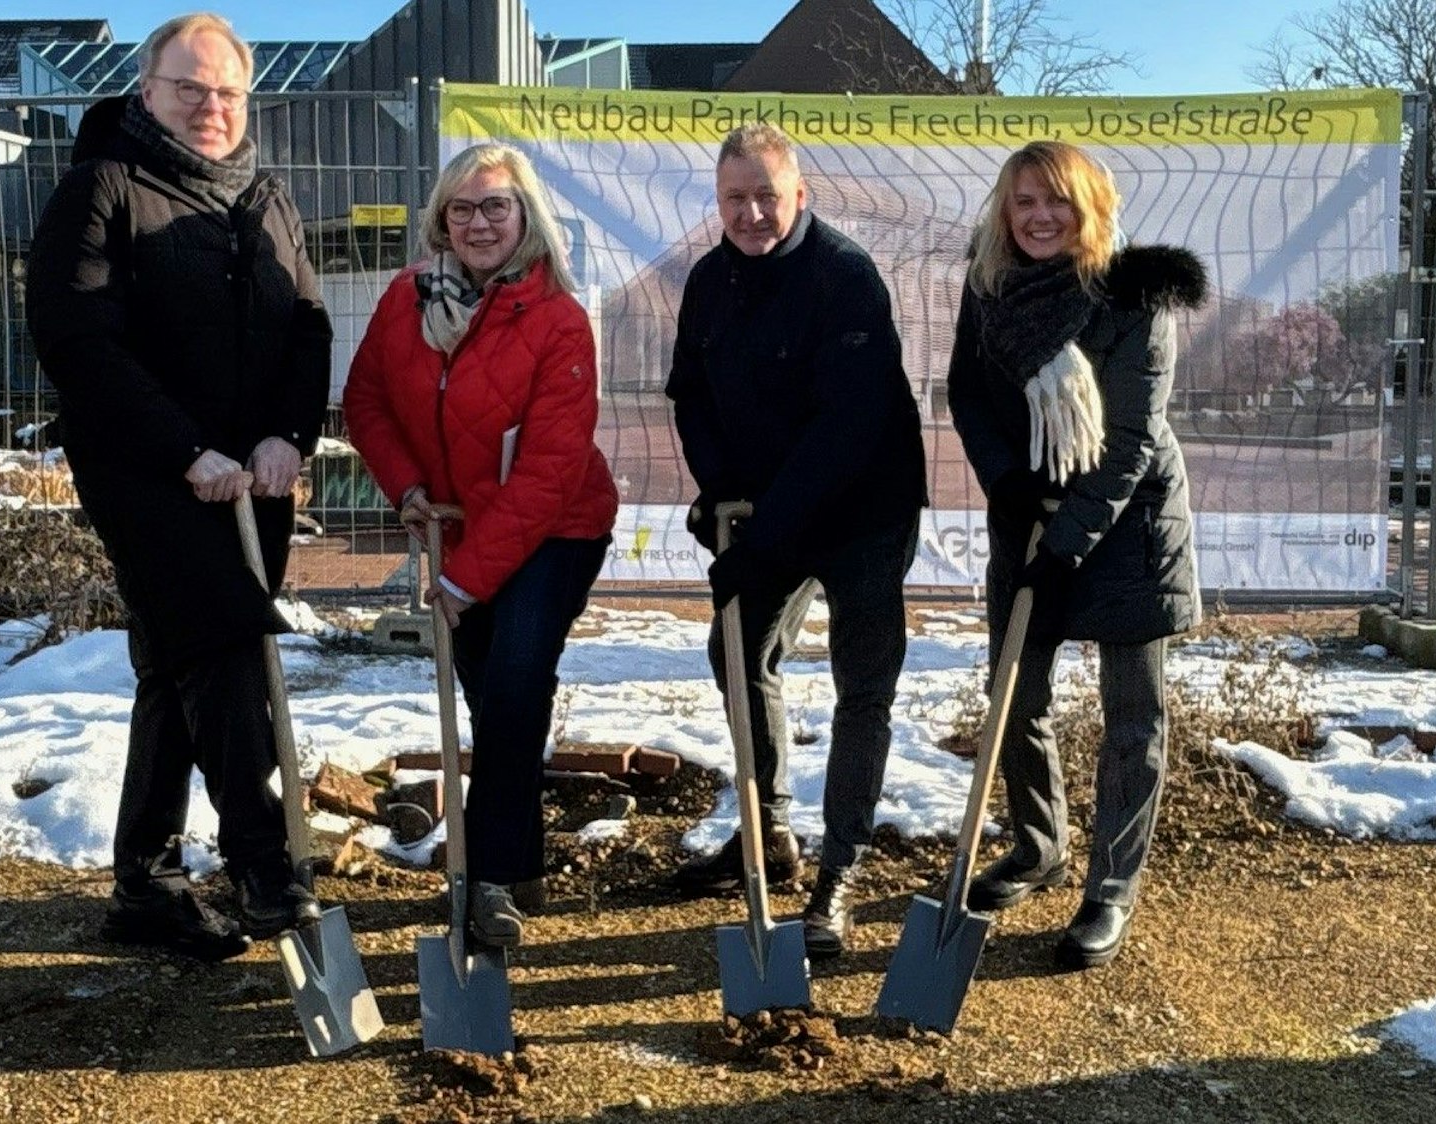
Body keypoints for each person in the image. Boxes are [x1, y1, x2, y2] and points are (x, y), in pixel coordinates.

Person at [27, 12, 331, 960]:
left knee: (176, 667)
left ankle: (146, 887)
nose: (209, 107)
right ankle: (267, 869)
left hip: (253, 481)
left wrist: (288, 434)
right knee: (227, 639)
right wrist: (185, 451)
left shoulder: (266, 196)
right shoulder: (101, 188)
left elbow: (310, 326)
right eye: (188, 89)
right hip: (149, 473)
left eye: (226, 92)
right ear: (147, 90)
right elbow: (79, 339)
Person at [344, 143, 617, 950]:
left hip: (558, 528)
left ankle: (487, 881)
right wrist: (408, 490)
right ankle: (517, 859)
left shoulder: (558, 318)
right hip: (457, 523)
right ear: (440, 219)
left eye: (495, 206)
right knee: (492, 698)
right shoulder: (405, 301)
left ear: (526, 215)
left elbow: (548, 471)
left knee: (516, 676)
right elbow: (365, 403)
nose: (478, 223)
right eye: (461, 209)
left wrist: (462, 583)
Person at [665, 123, 927, 960]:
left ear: (799, 196)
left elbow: (845, 432)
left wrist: (764, 533)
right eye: (734, 198)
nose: (751, 213)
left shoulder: (845, 277)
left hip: (863, 509)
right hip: (771, 504)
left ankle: (839, 869)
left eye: (767, 196)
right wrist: (718, 493)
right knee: (736, 653)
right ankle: (768, 832)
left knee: (863, 681)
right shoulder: (709, 281)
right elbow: (691, 396)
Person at [946, 140, 1206, 969]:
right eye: (1024, 201)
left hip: (1126, 527)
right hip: (1026, 515)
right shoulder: (989, 286)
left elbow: (1129, 440)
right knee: (1015, 696)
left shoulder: (1135, 294)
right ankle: (1037, 846)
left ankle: (1110, 889)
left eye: (1056, 200)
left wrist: (1066, 544)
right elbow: (965, 390)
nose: (1040, 217)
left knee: (1133, 719)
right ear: (1005, 210)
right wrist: (1006, 481)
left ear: (1089, 206)